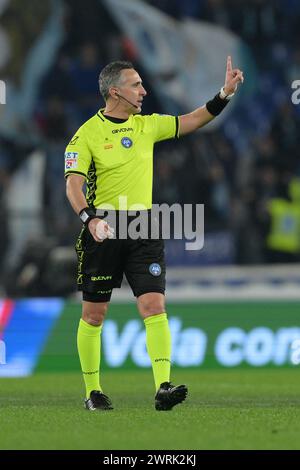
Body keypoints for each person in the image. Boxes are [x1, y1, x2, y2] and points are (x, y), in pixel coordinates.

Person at [65, 57, 244, 411]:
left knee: (153, 305)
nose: (144, 91)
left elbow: (193, 120)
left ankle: (163, 386)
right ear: (115, 91)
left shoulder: (148, 126)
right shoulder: (86, 134)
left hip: (144, 226)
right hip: (104, 226)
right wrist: (89, 219)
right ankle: (93, 392)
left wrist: (224, 93)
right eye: (136, 85)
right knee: (94, 314)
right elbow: (73, 184)